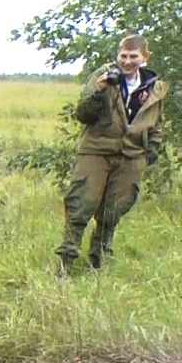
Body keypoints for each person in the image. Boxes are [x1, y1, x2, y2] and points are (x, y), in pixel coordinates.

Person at [57, 35, 167, 274]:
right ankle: (65, 263)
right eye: (123, 56)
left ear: (145, 58)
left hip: (132, 155)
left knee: (114, 209)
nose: (127, 62)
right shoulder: (102, 76)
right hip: (97, 150)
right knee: (82, 203)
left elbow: (156, 122)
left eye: (133, 56)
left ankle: (99, 260)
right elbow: (83, 114)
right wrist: (99, 91)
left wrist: (151, 152)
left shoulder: (154, 87)